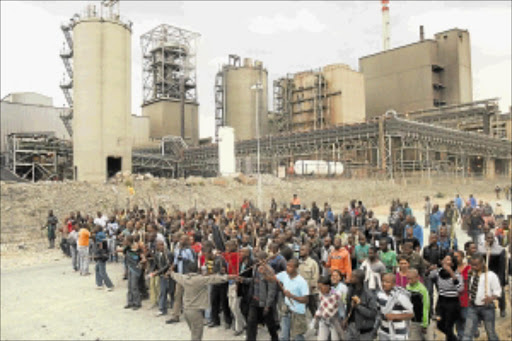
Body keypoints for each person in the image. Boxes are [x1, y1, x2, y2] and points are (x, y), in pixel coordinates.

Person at [168, 261, 236, 341]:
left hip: (186, 311)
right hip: (196, 311)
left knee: (194, 333)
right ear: (198, 269)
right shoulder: (201, 279)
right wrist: (230, 277)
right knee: (197, 336)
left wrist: (171, 270)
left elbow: (174, 275)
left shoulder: (183, 278)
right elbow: (215, 278)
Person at [265, 258, 309, 341]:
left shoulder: (302, 282)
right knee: (284, 336)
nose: (287, 268)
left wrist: (292, 296)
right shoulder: (284, 274)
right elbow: (271, 279)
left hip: (298, 312)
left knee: (297, 337)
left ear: (296, 268)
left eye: (290, 266)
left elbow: (306, 300)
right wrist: (264, 272)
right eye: (287, 266)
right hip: (286, 309)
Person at [462, 254, 502, 341]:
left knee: (491, 333)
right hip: (472, 307)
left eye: (476, 265)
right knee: (467, 333)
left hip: (487, 307)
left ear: (482, 264)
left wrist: (491, 298)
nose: (473, 267)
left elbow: (498, 292)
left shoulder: (491, 275)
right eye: (472, 264)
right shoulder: (471, 274)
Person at [241, 251, 279, 341]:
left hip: (264, 302)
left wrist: (267, 305)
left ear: (263, 260)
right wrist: (244, 280)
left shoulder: (269, 271)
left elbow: (271, 290)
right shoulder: (255, 269)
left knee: (270, 324)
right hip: (254, 300)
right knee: (251, 322)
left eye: (258, 259)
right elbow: (254, 281)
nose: (256, 260)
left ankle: (275, 338)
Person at [429, 254, 463, 341]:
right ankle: (455, 339)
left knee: (449, 326)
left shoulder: (457, 274)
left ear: (452, 263)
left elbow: (460, 289)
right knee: (439, 324)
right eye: (444, 259)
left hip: (452, 302)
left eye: (448, 260)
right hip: (441, 301)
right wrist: (429, 269)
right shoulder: (438, 272)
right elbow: (428, 276)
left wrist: (451, 273)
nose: (445, 261)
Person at [342, 269, 379, 341]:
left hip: (364, 330)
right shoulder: (350, 289)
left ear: (358, 279)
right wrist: (346, 318)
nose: (350, 278)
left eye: (352, 277)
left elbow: (373, 313)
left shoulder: (369, 294)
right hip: (351, 326)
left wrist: (358, 306)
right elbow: (348, 306)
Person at [167, 234, 196, 324]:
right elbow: (175, 262)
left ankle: (192, 316)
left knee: (189, 296)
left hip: (188, 275)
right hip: (180, 276)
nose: (181, 241)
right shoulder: (177, 250)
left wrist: (184, 259)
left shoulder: (190, 251)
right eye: (181, 239)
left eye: (183, 240)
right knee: (177, 295)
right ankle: (175, 315)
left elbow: (193, 262)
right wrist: (170, 270)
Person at [376, 273, 414, 341]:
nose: (384, 284)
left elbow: (411, 314)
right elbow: (378, 312)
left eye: (387, 282)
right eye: (383, 281)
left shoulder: (401, 296)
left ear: (393, 284)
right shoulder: (380, 295)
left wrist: (394, 316)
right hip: (383, 332)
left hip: (398, 334)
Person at [313, 276, 344, 341]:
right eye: (319, 287)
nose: (320, 289)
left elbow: (342, 308)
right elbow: (321, 305)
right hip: (323, 320)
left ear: (328, 286)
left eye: (321, 287)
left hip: (334, 321)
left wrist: (342, 319)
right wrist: (317, 313)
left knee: (335, 339)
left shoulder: (337, 295)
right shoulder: (320, 293)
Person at [406, 269, 431, 341]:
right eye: (408, 279)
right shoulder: (407, 287)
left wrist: (425, 324)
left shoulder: (422, 290)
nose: (409, 281)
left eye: (411, 279)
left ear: (417, 278)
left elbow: (426, 307)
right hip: (412, 321)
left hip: (422, 321)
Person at [298, 244, 319, 317]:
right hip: (302, 292)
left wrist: (312, 286)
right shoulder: (299, 263)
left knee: (314, 311)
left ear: (307, 251)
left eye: (302, 250)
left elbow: (315, 276)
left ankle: (318, 326)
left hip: (311, 292)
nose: (300, 251)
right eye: (300, 250)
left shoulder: (312, 263)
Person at [455, 250, 471, 340]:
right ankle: (460, 336)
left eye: (457, 256)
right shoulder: (452, 269)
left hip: (466, 298)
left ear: (462, 257)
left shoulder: (469, 269)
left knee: (466, 318)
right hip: (455, 299)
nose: (455, 258)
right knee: (458, 319)